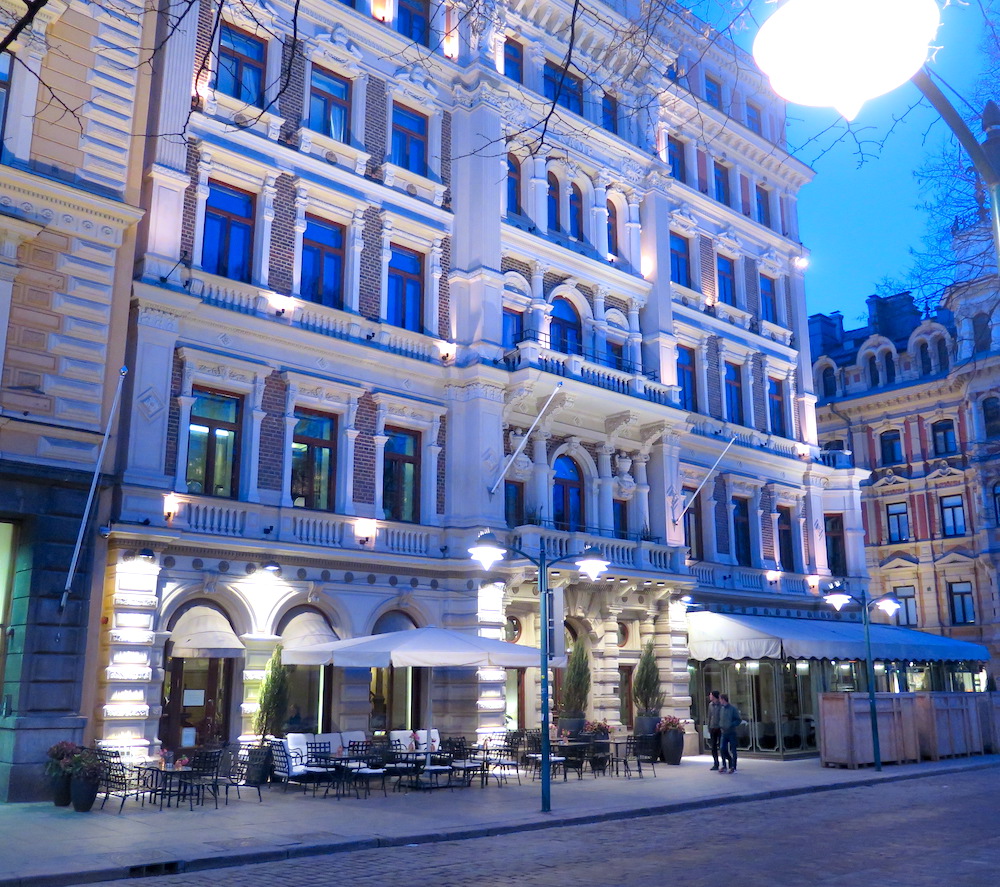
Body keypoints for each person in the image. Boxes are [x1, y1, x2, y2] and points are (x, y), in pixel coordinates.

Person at [718, 693, 741, 774]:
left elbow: (738, 720)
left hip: (731, 732)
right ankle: (724, 765)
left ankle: (733, 767)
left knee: (733, 750)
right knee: (722, 749)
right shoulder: (722, 709)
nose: (719, 701)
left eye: (720, 699)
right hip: (724, 732)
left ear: (723, 699)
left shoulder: (733, 709)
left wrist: (731, 724)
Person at [706, 690, 723, 770]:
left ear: (714, 696)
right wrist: (708, 727)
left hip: (720, 728)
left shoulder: (721, 705)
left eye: (711, 695)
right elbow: (709, 716)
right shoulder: (710, 705)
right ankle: (716, 763)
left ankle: (725, 763)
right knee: (713, 747)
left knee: (722, 747)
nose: (710, 696)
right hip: (712, 728)